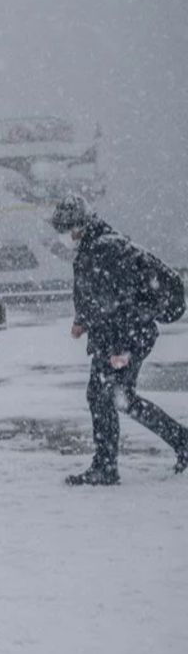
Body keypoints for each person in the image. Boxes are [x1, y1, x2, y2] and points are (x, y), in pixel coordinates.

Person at [51, 196, 188, 485]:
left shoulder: (105, 250)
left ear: (80, 226)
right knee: (118, 398)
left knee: (106, 397)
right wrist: (82, 321)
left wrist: (121, 349)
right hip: (118, 334)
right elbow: (97, 295)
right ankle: (181, 442)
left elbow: (121, 301)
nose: (62, 236)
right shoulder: (95, 246)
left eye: (65, 229)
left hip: (124, 336)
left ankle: (105, 467)